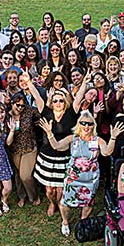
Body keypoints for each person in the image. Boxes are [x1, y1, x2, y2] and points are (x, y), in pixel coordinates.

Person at [41, 111, 123, 236]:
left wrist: (113, 138)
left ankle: (83, 222)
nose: (86, 126)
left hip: (90, 180)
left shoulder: (97, 140)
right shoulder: (72, 138)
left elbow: (106, 152)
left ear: (93, 126)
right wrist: (49, 133)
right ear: (79, 124)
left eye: (89, 124)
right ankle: (65, 222)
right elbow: (57, 146)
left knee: (88, 202)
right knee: (65, 202)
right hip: (73, 179)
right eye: (83, 123)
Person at [34, 89, 78, 218]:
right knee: (49, 190)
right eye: (55, 101)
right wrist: (29, 82)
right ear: (51, 103)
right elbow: (36, 96)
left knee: (60, 188)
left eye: (61, 100)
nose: (58, 103)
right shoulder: (46, 113)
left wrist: (86, 82)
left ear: (65, 102)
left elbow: (79, 98)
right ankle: (52, 202)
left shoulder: (70, 114)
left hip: (64, 156)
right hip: (47, 156)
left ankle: (59, 203)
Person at [8, 92, 41, 207]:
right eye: (17, 105)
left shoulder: (30, 111)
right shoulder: (7, 115)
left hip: (29, 147)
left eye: (22, 105)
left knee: (25, 176)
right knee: (18, 174)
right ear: (12, 103)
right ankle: (22, 196)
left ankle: (34, 196)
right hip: (15, 149)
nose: (20, 108)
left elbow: (42, 115)